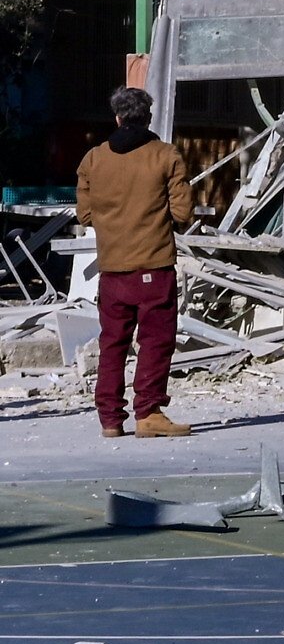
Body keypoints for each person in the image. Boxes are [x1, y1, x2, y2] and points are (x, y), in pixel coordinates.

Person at [75, 87, 194, 439]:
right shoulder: (166, 155)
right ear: (149, 118)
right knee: (156, 341)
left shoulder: (93, 159)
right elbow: (184, 213)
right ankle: (149, 413)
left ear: (117, 118)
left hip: (111, 270)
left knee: (112, 343)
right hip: (154, 266)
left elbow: (84, 215)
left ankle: (110, 419)